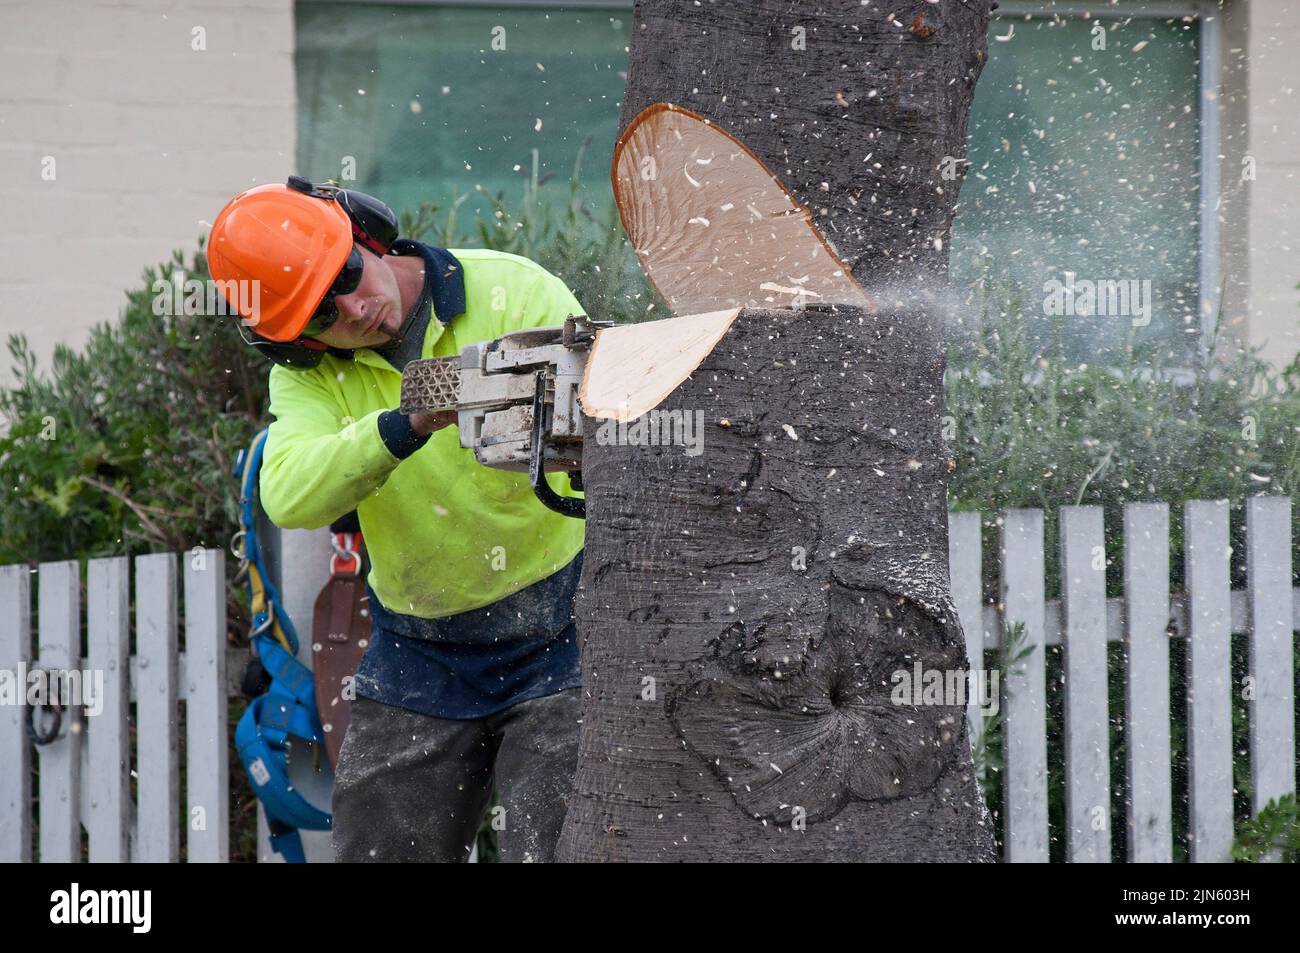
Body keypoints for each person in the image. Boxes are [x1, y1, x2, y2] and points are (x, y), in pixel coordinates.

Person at [209, 175, 585, 862]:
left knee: (569, 845)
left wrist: (554, 423)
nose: (356, 306)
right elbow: (288, 493)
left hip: (562, 626)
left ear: (365, 232)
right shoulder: (308, 378)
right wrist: (403, 426)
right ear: (298, 342)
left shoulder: (513, 290)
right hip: (419, 646)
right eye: (324, 314)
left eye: (348, 273)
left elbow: (605, 420)